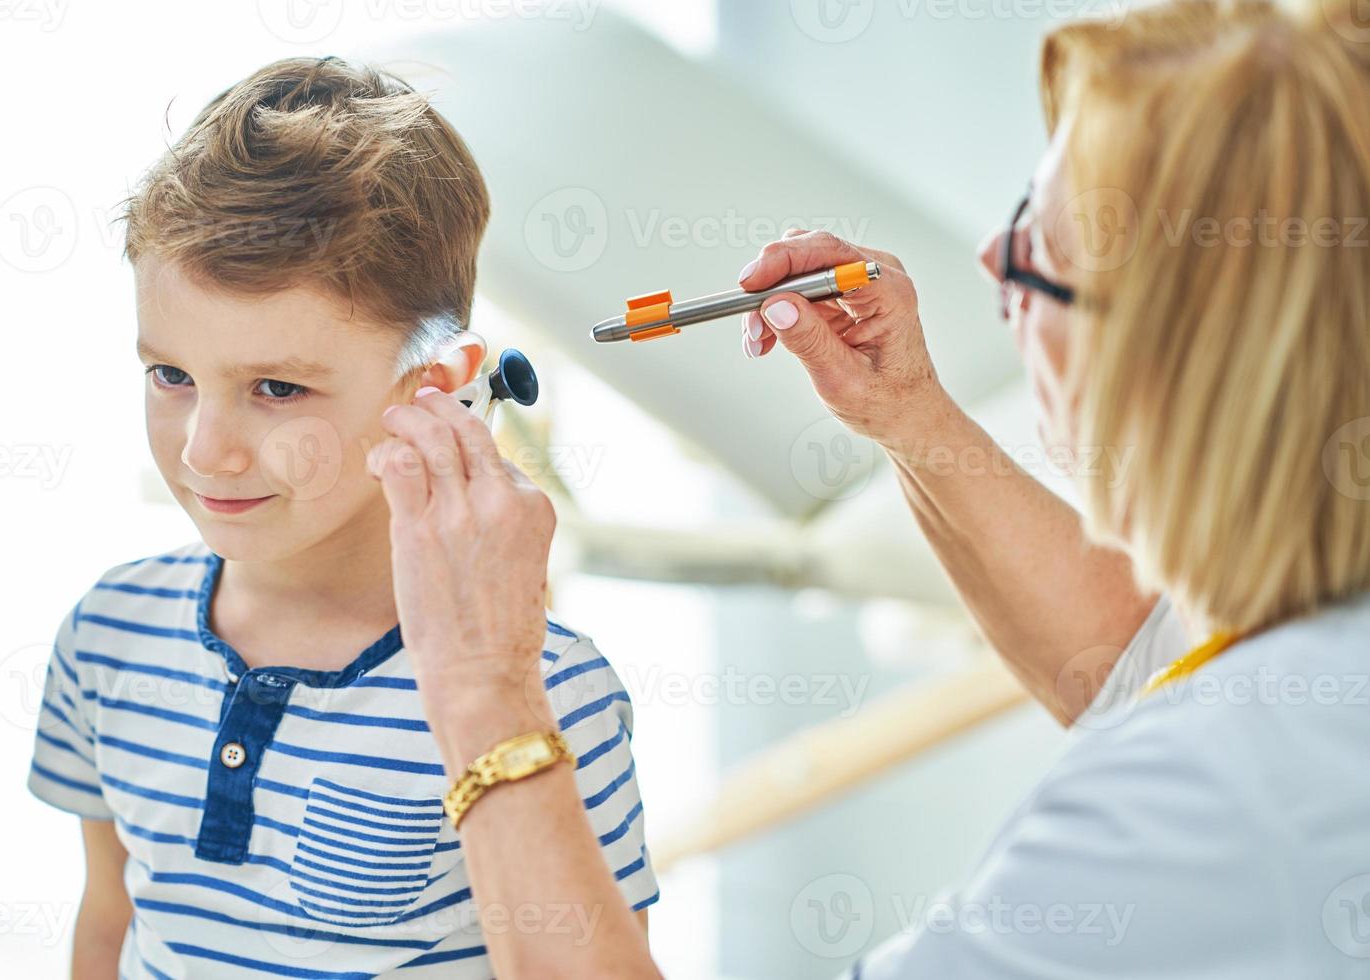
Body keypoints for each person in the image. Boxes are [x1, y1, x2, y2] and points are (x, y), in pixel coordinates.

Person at [368, 0, 1370, 975]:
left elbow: (1189, 734)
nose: (988, 258)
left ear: (1192, 370)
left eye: (1043, 256)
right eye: (1018, 209)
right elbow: (1145, 666)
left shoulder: (1188, 809)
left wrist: (480, 685)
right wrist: (912, 416)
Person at [25, 56, 657, 979]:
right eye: (171, 376)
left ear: (435, 384)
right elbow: (107, 923)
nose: (206, 451)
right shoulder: (108, 635)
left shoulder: (548, 699)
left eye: (277, 388)